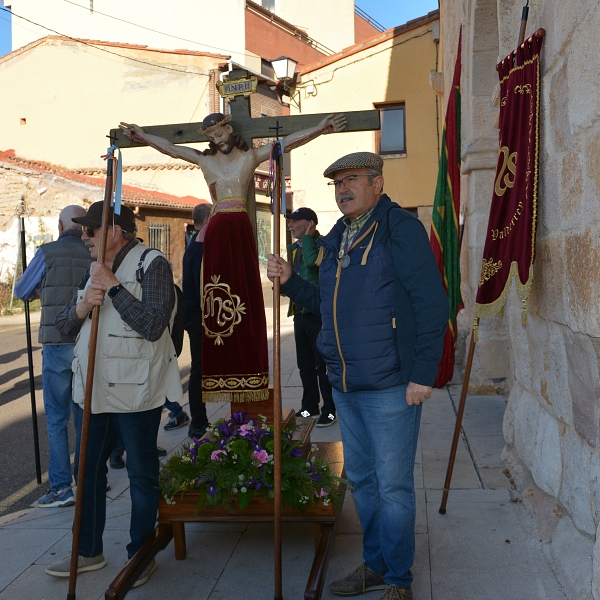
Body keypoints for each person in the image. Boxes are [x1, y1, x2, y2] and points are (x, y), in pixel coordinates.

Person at [267, 152, 448, 600]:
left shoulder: (398, 230)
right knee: (362, 481)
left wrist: (423, 373)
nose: (343, 189)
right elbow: (326, 300)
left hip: (390, 383)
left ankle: (399, 581)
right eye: (336, 183)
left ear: (377, 183)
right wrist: (291, 281)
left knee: (394, 486)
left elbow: (431, 303)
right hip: (345, 385)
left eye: (351, 180)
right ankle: (377, 564)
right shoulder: (338, 236)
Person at [119, 113, 346, 406]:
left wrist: (321, 128)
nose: (217, 140)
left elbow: (286, 143)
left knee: (244, 291)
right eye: (211, 136)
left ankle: (249, 358)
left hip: (239, 228)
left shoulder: (249, 157)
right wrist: (143, 135)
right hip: (218, 230)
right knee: (216, 292)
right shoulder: (205, 161)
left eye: (219, 133)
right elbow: (172, 149)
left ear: (229, 127)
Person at [49, 202, 183, 588]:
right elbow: (63, 324)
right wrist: (81, 307)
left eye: (91, 230)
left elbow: (154, 325)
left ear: (115, 232)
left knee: (142, 473)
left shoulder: (152, 264)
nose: (85, 237)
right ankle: (88, 551)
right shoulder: (93, 270)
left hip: (136, 393)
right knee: (86, 473)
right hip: (90, 392)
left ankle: (140, 555)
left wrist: (113, 287)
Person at [14, 205, 92, 508]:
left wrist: (39, 291)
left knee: (57, 419)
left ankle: (61, 488)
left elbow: (22, 290)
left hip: (57, 343)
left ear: (60, 226)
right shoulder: (93, 252)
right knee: (83, 416)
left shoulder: (46, 252)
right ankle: (86, 479)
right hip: (85, 343)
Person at [284, 207, 336, 427]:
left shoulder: (321, 244)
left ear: (309, 224)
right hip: (300, 313)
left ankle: (330, 410)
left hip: (317, 313)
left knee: (321, 366)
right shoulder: (294, 248)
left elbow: (312, 264)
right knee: (304, 364)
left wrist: (308, 237)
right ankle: (310, 406)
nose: (290, 226)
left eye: (295, 222)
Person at [182, 202, 212, 438]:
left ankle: (199, 420)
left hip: (197, 315)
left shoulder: (197, 243)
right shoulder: (201, 247)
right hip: (198, 317)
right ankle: (198, 422)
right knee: (200, 370)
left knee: (201, 369)